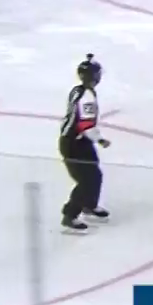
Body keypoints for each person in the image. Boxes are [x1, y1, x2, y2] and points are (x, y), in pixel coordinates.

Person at [59, 53, 112, 232]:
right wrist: (100, 139)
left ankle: (89, 205)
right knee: (87, 179)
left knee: (95, 174)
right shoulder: (87, 96)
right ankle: (70, 215)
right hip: (74, 143)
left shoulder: (78, 90)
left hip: (79, 141)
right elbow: (85, 124)